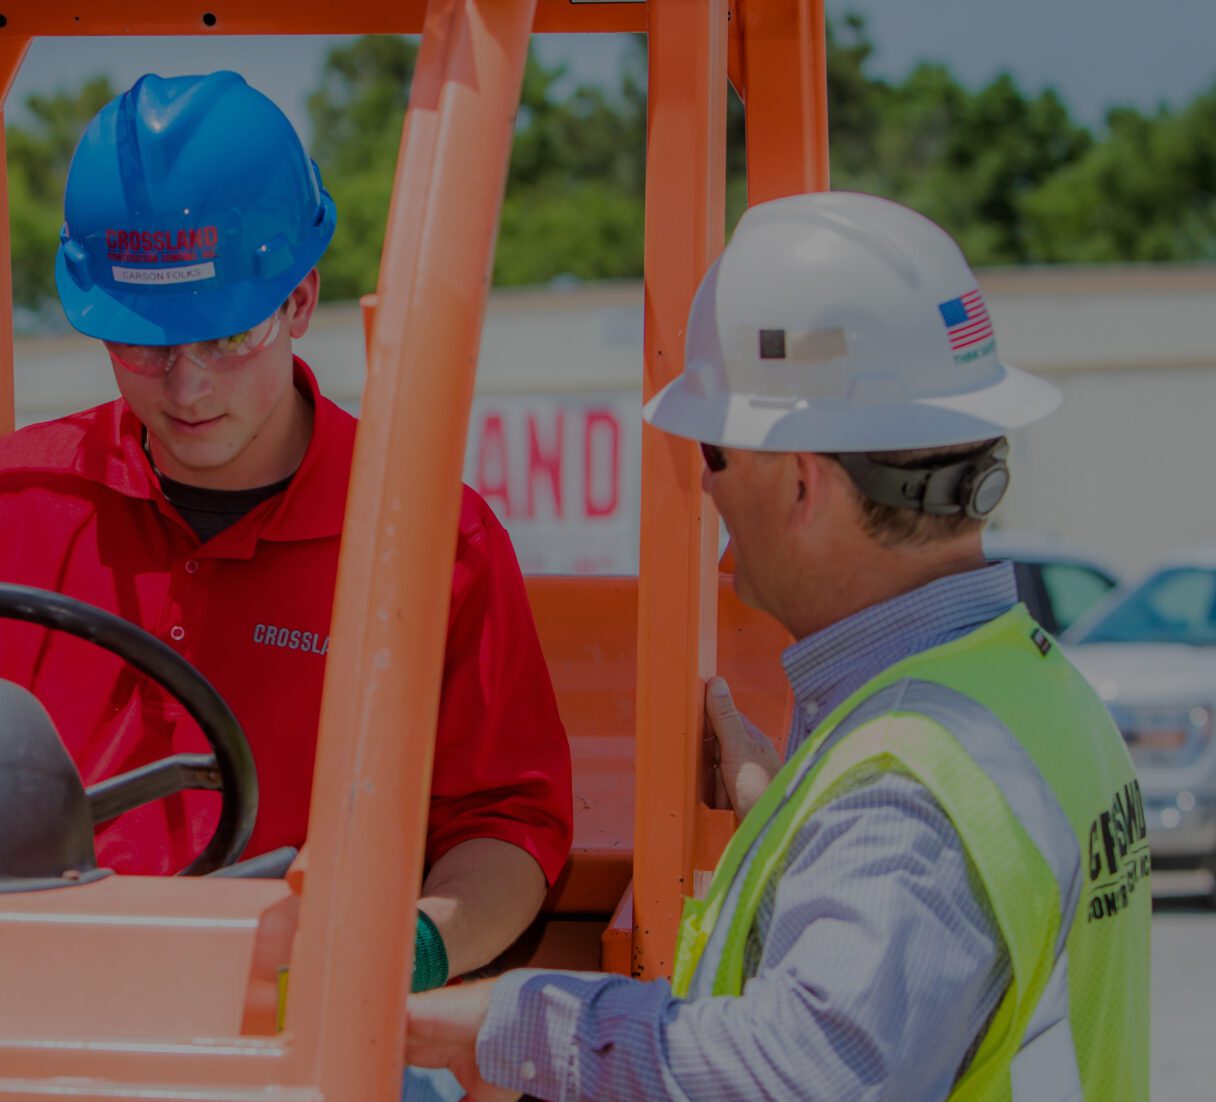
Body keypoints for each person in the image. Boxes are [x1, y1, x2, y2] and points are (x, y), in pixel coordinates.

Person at [403, 191, 1152, 1101]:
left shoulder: (903, 796)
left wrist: (514, 1021)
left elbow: (801, 1077)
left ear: (801, 483)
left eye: (714, 455)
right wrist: (791, 819)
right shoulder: (1031, 696)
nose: (704, 490)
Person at [0, 71, 573, 1010]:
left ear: (301, 300)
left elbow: (509, 824)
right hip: (31, 1003)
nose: (185, 390)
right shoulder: (9, 501)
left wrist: (409, 957)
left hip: (298, 1022)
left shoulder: (431, 539)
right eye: (145, 345)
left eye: (227, 338)